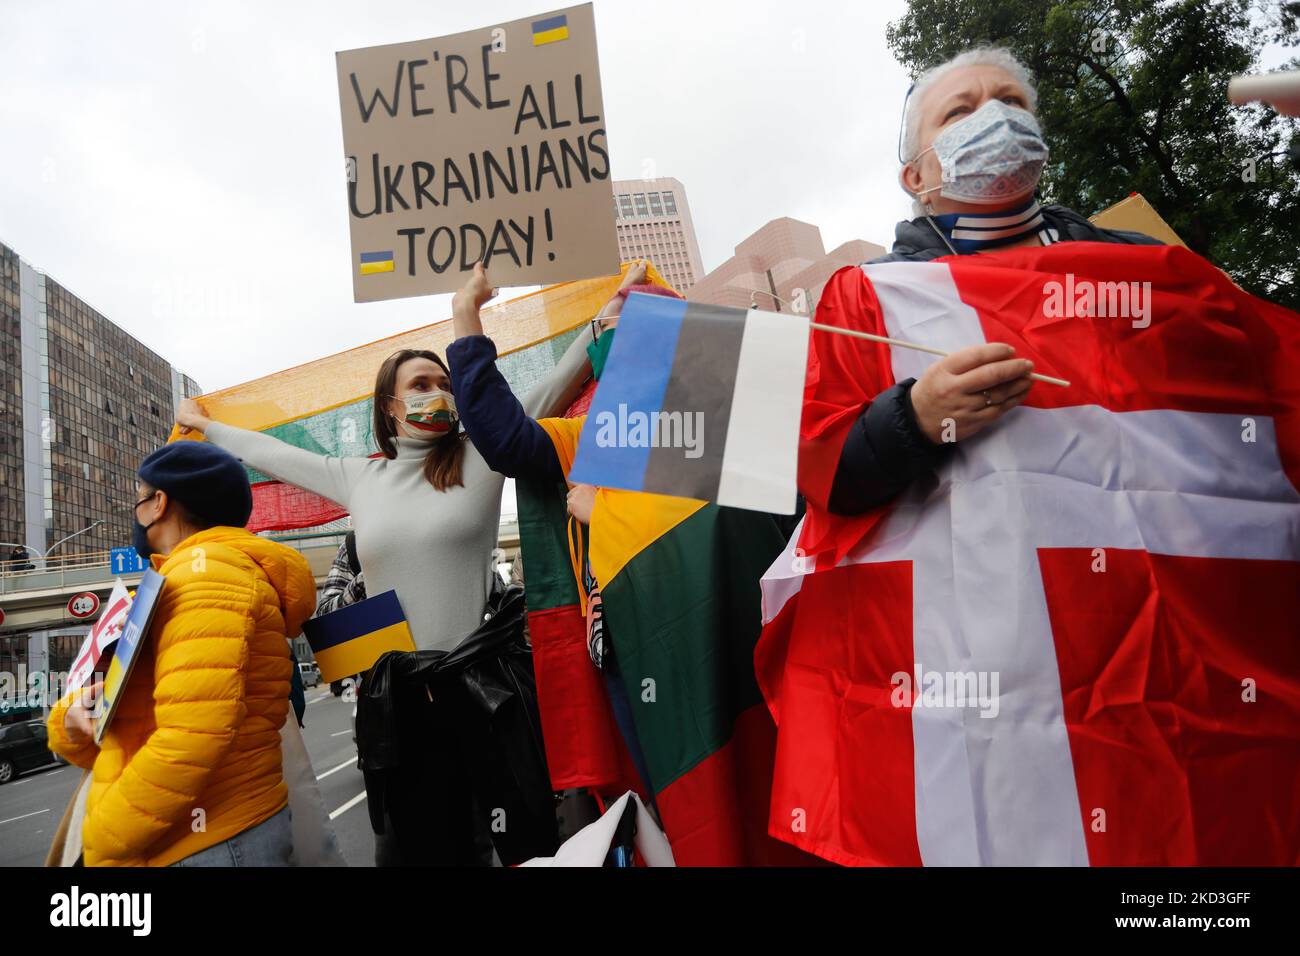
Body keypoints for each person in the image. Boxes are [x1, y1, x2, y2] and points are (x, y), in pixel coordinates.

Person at [824, 46, 1164, 516]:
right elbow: (820, 480)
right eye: (959, 111)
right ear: (915, 175)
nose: (996, 118)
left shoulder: (1143, 262)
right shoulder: (866, 299)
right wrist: (914, 419)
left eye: (1012, 103)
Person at [175, 334, 591, 654]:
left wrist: (610, 314)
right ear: (389, 407)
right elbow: (273, 454)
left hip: (482, 689)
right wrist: (202, 424)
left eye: (446, 384)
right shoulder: (359, 478)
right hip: (396, 699)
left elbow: (555, 387)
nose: (438, 394)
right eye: (421, 385)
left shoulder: (483, 453)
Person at [45, 441, 316, 866]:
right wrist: (74, 721)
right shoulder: (181, 579)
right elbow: (132, 724)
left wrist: (101, 836)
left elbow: (192, 736)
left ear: (159, 504)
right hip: (203, 834)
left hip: (204, 839)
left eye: (139, 497)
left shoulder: (205, 578)